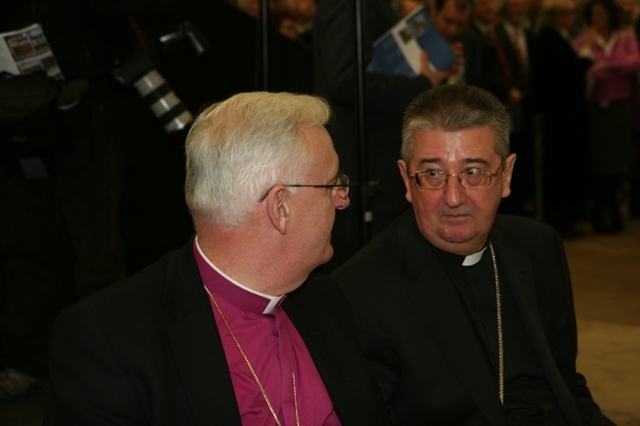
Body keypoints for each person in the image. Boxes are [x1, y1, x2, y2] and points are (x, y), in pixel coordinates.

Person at [45, 91, 389, 425]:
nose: (343, 200)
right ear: (280, 207)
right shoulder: (109, 341)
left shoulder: (326, 301)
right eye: (332, 184)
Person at [332, 85, 615, 425]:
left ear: (506, 176)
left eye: (473, 172)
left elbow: (566, 386)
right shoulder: (360, 292)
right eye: (433, 173)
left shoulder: (539, 247)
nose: (453, 197)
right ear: (407, 181)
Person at [573, 0, 640, 233]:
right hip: (594, 106)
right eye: (593, 15)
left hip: (620, 105)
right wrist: (610, 70)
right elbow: (583, 68)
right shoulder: (585, 39)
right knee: (599, 160)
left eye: (601, 14)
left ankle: (609, 210)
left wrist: (606, 66)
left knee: (618, 159)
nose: (597, 19)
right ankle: (604, 212)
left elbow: (634, 64)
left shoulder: (624, 37)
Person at [533, 0, 592, 238]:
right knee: (561, 170)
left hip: (564, 117)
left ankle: (567, 218)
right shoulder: (550, 40)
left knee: (565, 169)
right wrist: (585, 61)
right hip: (560, 120)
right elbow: (564, 77)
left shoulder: (555, 38)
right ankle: (561, 221)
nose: (573, 18)